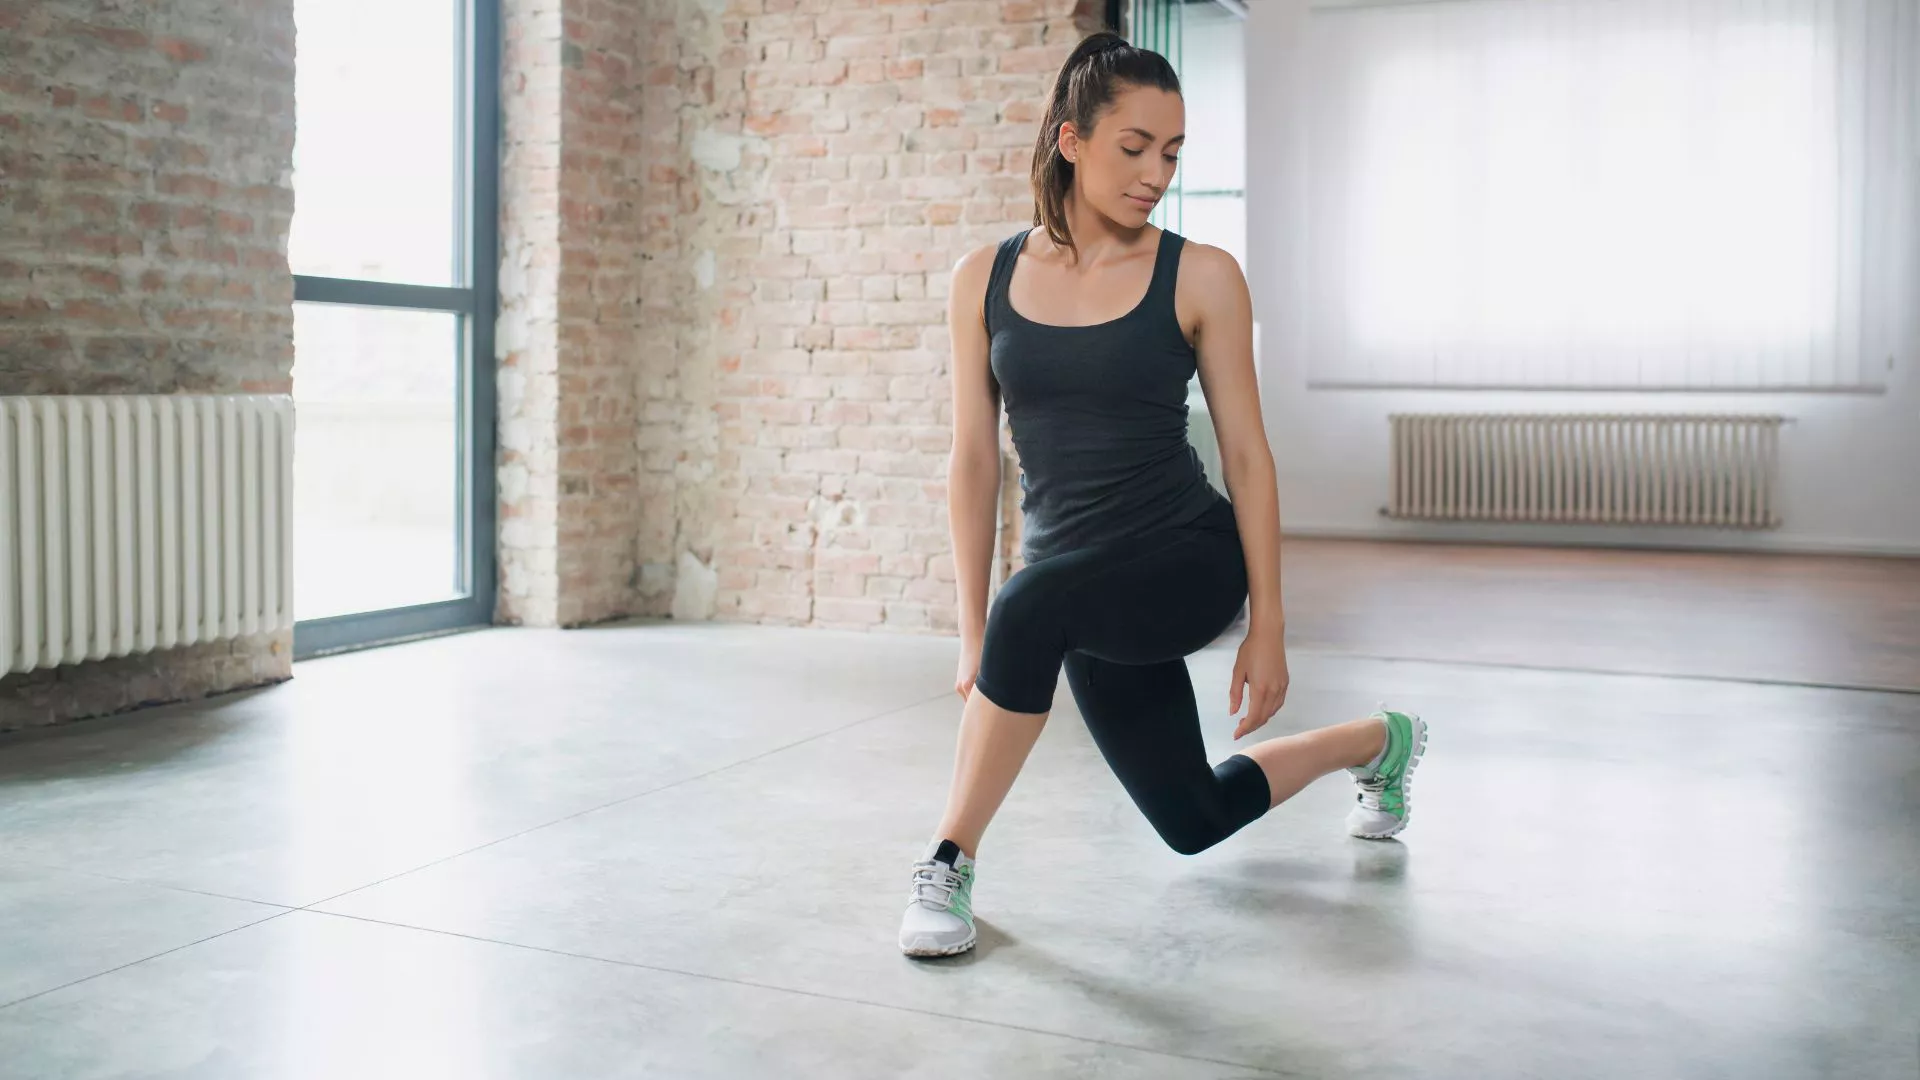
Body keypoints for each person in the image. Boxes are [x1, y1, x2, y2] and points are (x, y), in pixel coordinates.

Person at [898, 33, 1428, 960]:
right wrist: (971, 629)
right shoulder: (980, 280)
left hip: (1186, 556)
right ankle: (1376, 742)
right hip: (1073, 587)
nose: (1157, 173)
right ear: (1071, 141)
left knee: (1034, 599)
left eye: (1174, 153)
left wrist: (1270, 623)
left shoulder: (1203, 275)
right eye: (1134, 147)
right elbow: (973, 459)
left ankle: (947, 859)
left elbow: (1249, 459)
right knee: (1192, 818)